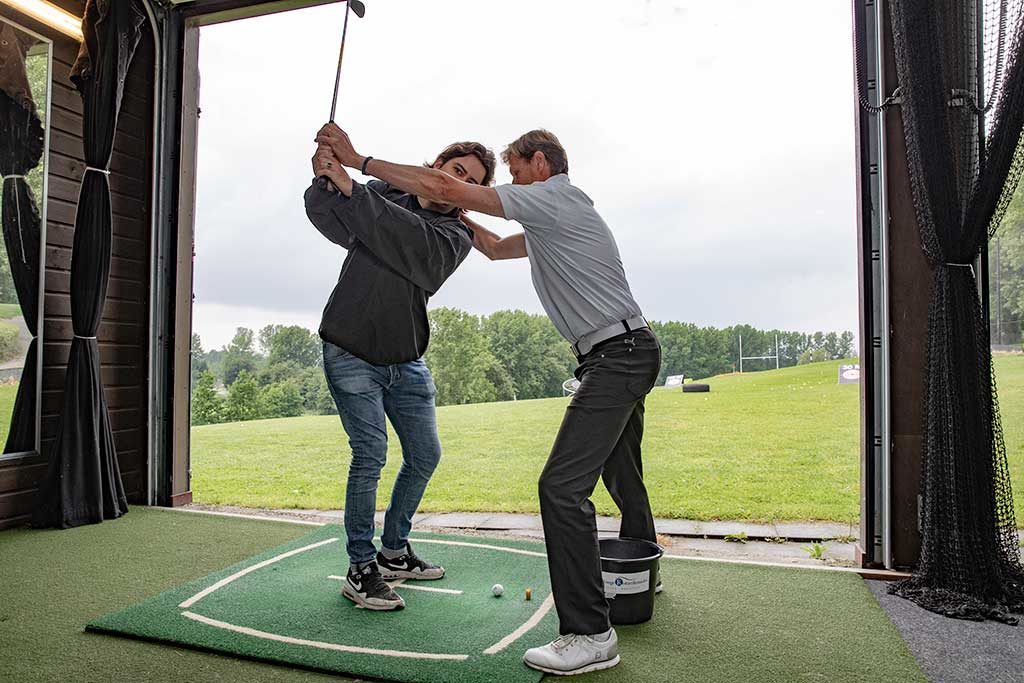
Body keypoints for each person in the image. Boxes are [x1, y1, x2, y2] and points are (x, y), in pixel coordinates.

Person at [316, 124, 661, 675]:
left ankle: (590, 632)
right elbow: (498, 249)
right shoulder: (554, 217)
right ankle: (645, 574)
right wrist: (451, 212)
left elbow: (451, 192)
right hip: (625, 350)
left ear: (541, 165)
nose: (514, 182)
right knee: (622, 472)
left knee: (559, 489)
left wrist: (359, 160)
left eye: (517, 170)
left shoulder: (552, 197)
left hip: (616, 354)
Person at [305, 135, 496, 611]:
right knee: (370, 453)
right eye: (455, 170)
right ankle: (360, 567)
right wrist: (325, 180)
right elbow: (330, 218)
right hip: (350, 348)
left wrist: (355, 189)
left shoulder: (456, 236)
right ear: (435, 165)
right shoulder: (385, 194)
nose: (459, 182)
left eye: (471, 182)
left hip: (405, 358)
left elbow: (410, 245)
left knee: (425, 454)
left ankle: (393, 550)